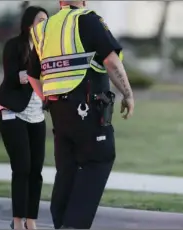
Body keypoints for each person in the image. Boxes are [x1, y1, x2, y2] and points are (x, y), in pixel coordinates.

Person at [27, 1, 134, 229]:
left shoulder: (42, 29)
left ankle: (62, 222)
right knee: (99, 159)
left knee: (67, 169)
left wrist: (47, 98)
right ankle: (74, 225)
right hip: (87, 108)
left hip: (58, 111)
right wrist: (128, 93)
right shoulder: (87, 19)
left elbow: (33, 75)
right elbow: (111, 61)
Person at [0, 6, 49, 230]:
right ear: (29, 24)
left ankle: (31, 221)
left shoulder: (49, 48)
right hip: (12, 111)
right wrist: (37, 72)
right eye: (40, 20)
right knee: (22, 168)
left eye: (47, 20)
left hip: (37, 114)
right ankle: (18, 221)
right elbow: (12, 77)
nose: (44, 24)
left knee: (36, 170)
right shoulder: (15, 45)